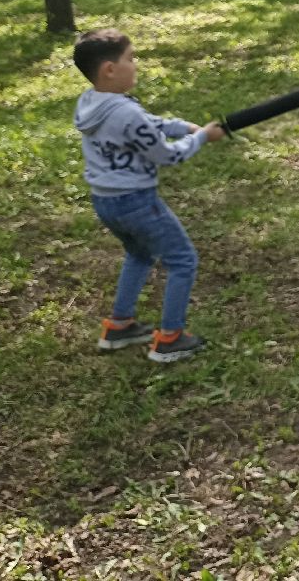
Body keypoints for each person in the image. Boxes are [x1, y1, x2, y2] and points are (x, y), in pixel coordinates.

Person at [73, 28, 226, 362]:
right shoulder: (125, 113)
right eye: (130, 58)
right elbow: (167, 156)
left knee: (140, 255)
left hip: (105, 201)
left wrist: (183, 127)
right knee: (182, 260)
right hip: (136, 202)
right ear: (109, 70)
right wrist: (201, 138)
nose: (136, 64)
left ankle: (119, 326)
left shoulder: (91, 102)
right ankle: (170, 338)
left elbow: (148, 123)